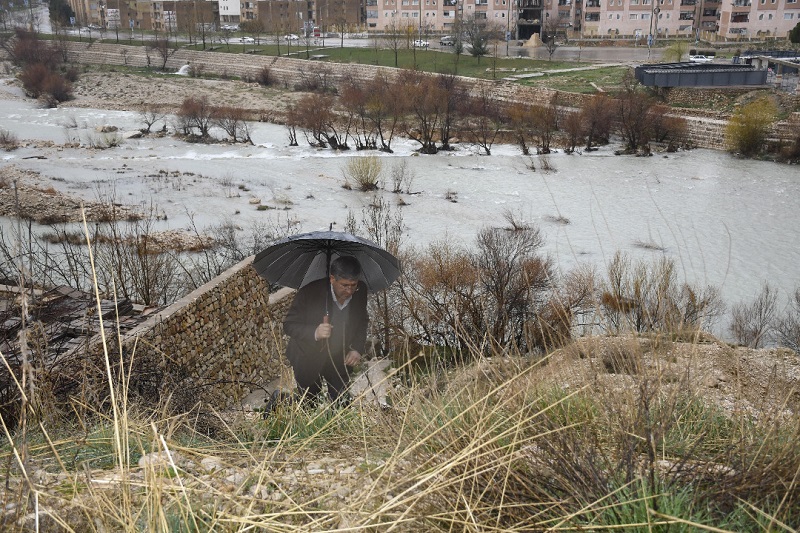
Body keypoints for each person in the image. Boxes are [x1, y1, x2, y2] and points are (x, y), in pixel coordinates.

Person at [282, 255, 368, 405]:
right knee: (309, 404)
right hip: (307, 356)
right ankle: (280, 401)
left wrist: (357, 349)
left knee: (341, 403)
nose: (349, 291)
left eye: (353, 285)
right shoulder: (309, 292)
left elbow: (362, 321)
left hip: (339, 358)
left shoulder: (361, 292)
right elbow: (289, 325)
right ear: (332, 279)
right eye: (344, 285)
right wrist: (315, 332)